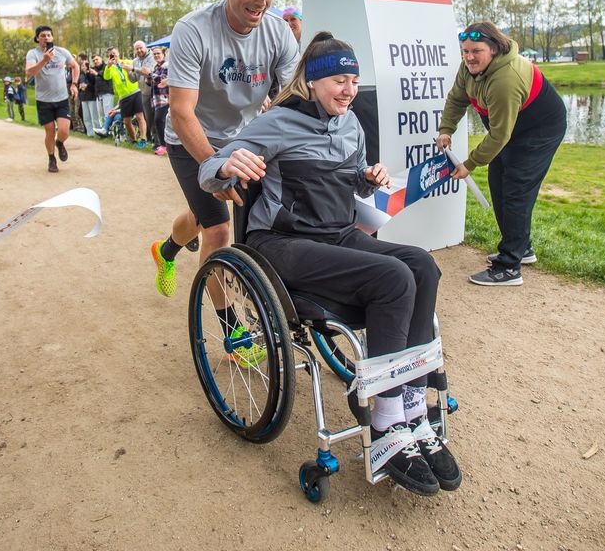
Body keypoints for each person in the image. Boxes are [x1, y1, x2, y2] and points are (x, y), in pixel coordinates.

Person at [198, 32, 461, 497]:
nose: (349, 89)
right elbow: (207, 174)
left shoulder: (351, 124)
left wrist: (367, 177)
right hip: (281, 243)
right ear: (314, 82)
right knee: (393, 277)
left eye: (355, 80)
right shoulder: (278, 122)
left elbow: (354, 185)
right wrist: (225, 165)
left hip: (335, 234)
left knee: (422, 266)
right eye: (340, 79)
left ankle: (412, 405)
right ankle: (384, 422)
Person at [150, 0, 299, 297]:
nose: (260, 1)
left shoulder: (278, 32)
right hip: (191, 138)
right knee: (217, 229)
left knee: (204, 216)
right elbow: (181, 111)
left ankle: (166, 249)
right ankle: (231, 332)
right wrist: (215, 166)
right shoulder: (193, 29)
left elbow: (295, 94)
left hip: (242, 138)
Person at [436, 22, 567, 287]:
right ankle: (521, 247)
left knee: (516, 189)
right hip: (510, 127)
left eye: (476, 51)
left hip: (539, 130)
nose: (469, 57)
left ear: (494, 49)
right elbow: (456, 99)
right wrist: (446, 128)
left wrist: (469, 164)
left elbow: (499, 136)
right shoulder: (469, 68)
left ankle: (509, 267)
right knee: (498, 183)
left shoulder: (506, 79)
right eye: (465, 51)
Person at [24, 25, 78, 172]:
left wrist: (74, 84)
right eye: (43, 35)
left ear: (52, 38)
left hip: (61, 98)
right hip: (44, 100)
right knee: (49, 131)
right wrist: (44, 60)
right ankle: (51, 159)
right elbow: (29, 72)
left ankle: (59, 143)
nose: (46, 38)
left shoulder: (61, 52)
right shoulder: (33, 54)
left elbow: (75, 66)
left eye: (49, 35)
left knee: (64, 131)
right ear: (37, 39)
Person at [101, 46, 147, 148]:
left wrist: (128, 67)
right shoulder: (110, 67)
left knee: (140, 116)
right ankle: (134, 140)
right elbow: (106, 77)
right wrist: (108, 66)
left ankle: (143, 139)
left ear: (118, 53)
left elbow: (137, 69)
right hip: (124, 96)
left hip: (135, 91)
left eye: (114, 53)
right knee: (126, 121)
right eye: (110, 54)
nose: (113, 55)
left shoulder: (127, 61)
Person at [129, 40, 155, 146]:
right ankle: (150, 139)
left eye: (141, 48)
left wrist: (134, 69)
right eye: (137, 49)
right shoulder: (135, 61)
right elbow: (133, 79)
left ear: (146, 47)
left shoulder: (152, 57)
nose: (139, 50)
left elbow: (148, 71)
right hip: (143, 92)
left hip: (154, 91)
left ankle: (157, 140)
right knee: (147, 117)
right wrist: (128, 72)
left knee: (156, 117)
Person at [148, 45, 170, 156]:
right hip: (157, 100)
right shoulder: (156, 67)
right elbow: (153, 82)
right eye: (154, 54)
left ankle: (164, 145)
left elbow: (162, 80)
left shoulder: (166, 65)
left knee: (159, 120)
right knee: (159, 121)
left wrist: (149, 74)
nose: (156, 56)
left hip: (165, 99)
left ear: (163, 54)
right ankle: (163, 145)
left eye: (158, 53)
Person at [77, 55, 101, 136]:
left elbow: (94, 84)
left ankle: (97, 132)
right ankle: (90, 133)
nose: (84, 67)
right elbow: (78, 85)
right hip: (83, 97)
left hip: (91, 97)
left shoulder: (91, 73)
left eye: (85, 65)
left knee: (94, 116)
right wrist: (80, 87)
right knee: (86, 117)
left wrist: (87, 86)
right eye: (82, 65)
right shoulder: (80, 75)